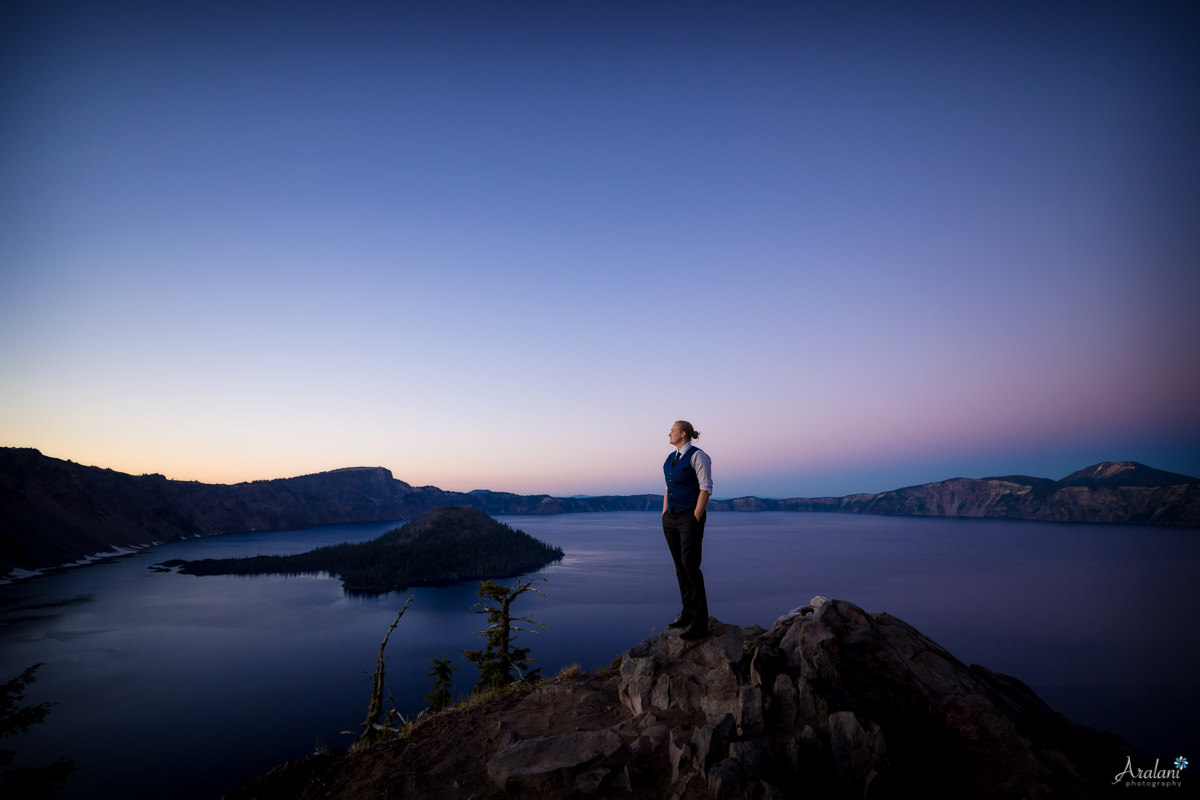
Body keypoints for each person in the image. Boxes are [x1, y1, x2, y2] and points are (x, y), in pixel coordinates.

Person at [661, 420, 712, 640]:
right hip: (671, 518)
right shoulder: (670, 459)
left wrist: (695, 517)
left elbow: (706, 487)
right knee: (680, 567)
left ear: (683, 433)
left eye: (672, 430)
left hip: (688, 518)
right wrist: (664, 513)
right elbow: (667, 488)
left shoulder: (698, 456)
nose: (669, 433)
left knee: (691, 567)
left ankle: (700, 623)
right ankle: (687, 613)